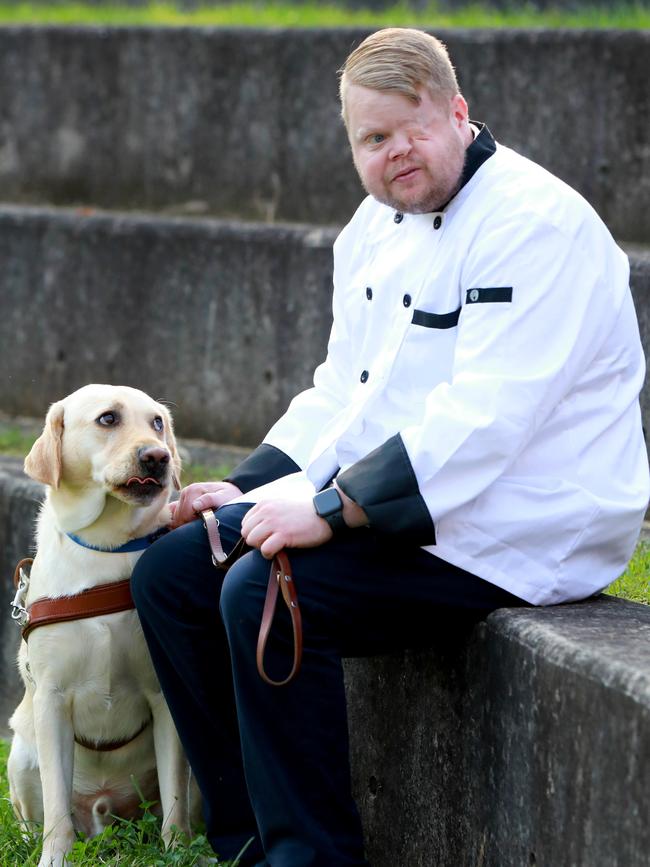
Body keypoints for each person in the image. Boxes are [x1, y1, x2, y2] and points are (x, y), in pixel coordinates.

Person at [131, 27, 649, 867]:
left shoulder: (534, 224)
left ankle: (312, 858)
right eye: (373, 140)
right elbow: (346, 392)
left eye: (411, 128)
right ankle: (249, 843)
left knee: (267, 586)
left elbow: (484, 420)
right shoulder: (373, 228)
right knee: (174, 575)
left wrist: (330, 508)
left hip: (528, 520)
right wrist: (254, 487)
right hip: (417, 495)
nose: (395, 154)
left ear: (458, 111)